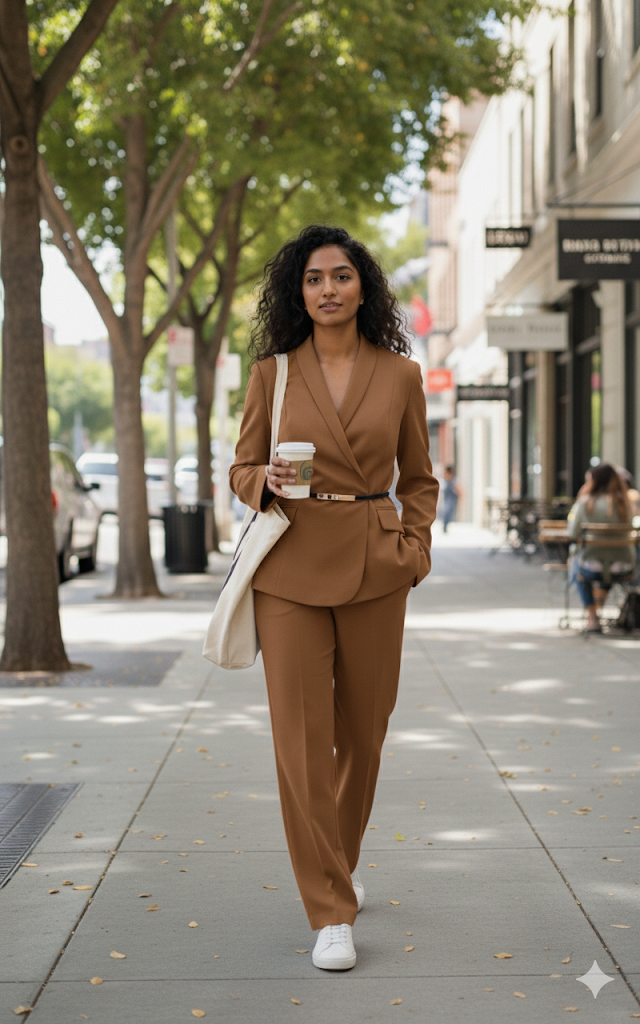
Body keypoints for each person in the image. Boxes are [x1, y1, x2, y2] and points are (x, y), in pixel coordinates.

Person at [229, 225, 438, 971]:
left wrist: (414, 550)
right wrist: (263, 483)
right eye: (314, 278)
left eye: (341, 276)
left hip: (377, 565)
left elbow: (420, 477)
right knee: (301, 744)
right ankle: (330, 910)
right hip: (288, 566)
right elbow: (241, 466)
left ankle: (335, 861)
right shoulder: (272, 374)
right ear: (299, 291)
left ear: (363, 287)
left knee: (366, 733)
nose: (327, 289)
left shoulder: (402, 375)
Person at [568, 462, 636, 632]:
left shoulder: (585, 503)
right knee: (606, 564)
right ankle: (596, 613)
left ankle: (593, 617)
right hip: (624, 566)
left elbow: (572, 534)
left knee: (577, 565)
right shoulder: (625, 503)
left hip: (591, 566)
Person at [441, 465, 460, 533]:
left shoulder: (453, 480)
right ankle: (445, 526)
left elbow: (457, 489)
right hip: (447, 498)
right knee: (446, 511)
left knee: (449, 512)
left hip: (452, 498)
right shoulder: (446, 479)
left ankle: (445, 525)